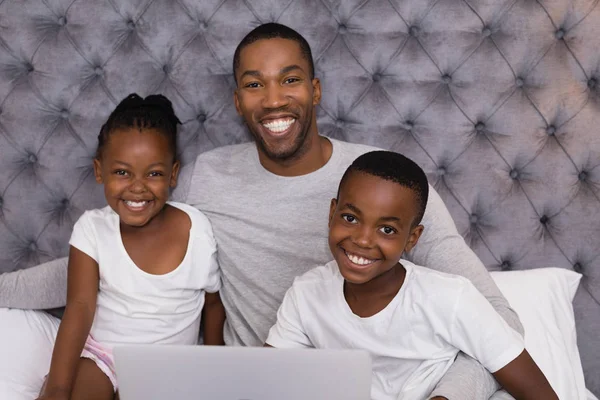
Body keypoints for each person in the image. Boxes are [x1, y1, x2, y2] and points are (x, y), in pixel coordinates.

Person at [1, 23, 521, 399]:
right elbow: (113, 258)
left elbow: (499, 323)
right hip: (251, 386)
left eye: (289, 80)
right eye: (254, 84)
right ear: (237, 101)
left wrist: (448, 397)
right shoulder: (211, 177)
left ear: (315, 91)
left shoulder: (386, 187)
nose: (273, 100)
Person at [265, 150, 558, 400]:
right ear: (332, 213)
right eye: (350, 218)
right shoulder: (306, 294)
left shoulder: (449, 298)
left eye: (387, 229)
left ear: (412, 238)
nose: (363, 240)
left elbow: (540, 394)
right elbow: (261, 383)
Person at [36, 94, 224, 400]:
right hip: (104, 355)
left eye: (154, 174)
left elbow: (214, 306)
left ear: (173, 174)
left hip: (169, 365)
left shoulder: (197, 230)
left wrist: (215, 369)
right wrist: (57, 389)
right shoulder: (92, 229)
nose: (137, 187)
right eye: (122, 172)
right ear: (100, 171)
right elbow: (80, 307)